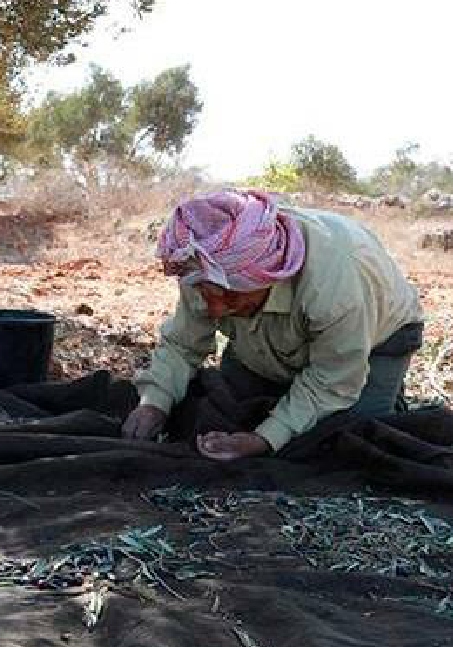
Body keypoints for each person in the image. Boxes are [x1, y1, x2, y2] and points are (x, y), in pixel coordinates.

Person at [123, 189, 425, 461]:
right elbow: (183, 344)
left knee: (346, 441)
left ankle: (387, 395)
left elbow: (333, 378)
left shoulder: (334, 290)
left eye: (228, 296)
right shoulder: (204, 264)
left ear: (268, 276)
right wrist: (155, 403)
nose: (215, 308)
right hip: (265, 342)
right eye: (207, 295)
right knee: (225, 412)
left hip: (377, 341)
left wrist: (263, 439)